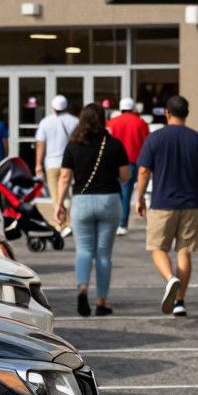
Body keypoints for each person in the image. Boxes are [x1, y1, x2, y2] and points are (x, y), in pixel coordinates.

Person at [134, 95, 198, 316]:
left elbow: (143, 171)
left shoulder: (155, 138)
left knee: (158, 248)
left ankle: (171, 279)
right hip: (191, 203)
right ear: (186, 113)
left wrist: (139, 197)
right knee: (184, 252)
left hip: (162, 203)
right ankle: (180, 301)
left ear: (167, 113)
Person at [56, 103, 130, 317]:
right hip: (109, 200)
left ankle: (82, 289)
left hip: (82, 201)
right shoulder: (114, 145)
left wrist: (60, 204)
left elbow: (64, 177)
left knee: (84, 250)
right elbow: (125, 177)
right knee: (104, 254)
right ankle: (101, 301)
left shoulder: (73, 146)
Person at [35, 95, 79, 237]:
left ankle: (61, 224)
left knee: (56, 195)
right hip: (71, 163)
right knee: (69, 193)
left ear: (53, 107)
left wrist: (38, 164)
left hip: (52, 163)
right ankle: (70, 224)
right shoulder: (75, 121)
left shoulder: (45, 122)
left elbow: (41, 144)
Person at [108, 96, 150, 236]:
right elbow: (147, 144)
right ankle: (122, 224)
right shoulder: (140, 123)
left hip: (112, 162)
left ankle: (112, 222)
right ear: (133, 108)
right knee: (126, 194)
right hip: (132, 162)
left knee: (113, 193)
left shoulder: (111, 123)